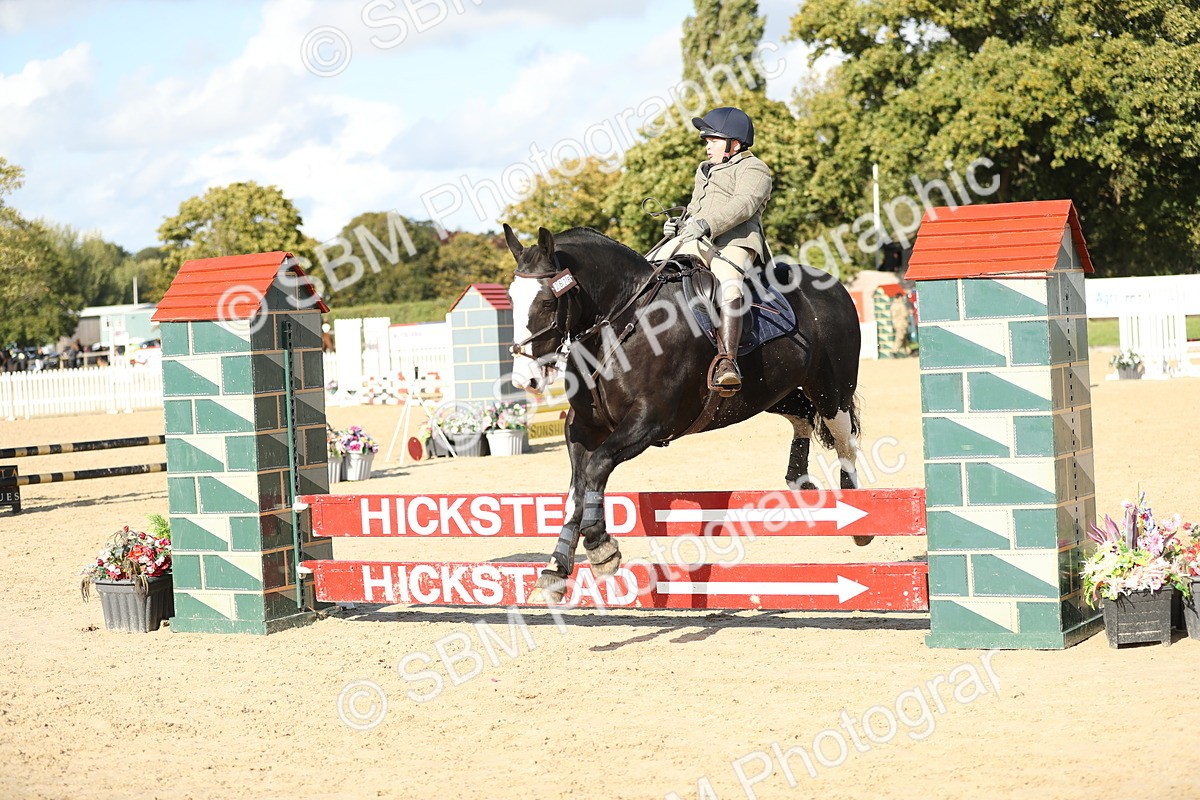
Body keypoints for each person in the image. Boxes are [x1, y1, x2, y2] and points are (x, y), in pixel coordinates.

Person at [657, 106, 772, 394]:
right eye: (706, 141)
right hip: (698, 238)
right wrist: (678, 224)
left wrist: (707, 224)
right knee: (653, 267)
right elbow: (695, 208)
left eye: (712, 141)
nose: (707, 147)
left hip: (735, 243)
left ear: (734, 143)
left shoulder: (755, 169)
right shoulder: (704, 170)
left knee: (729, 285)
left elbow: (743, 205)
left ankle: (727, 362)